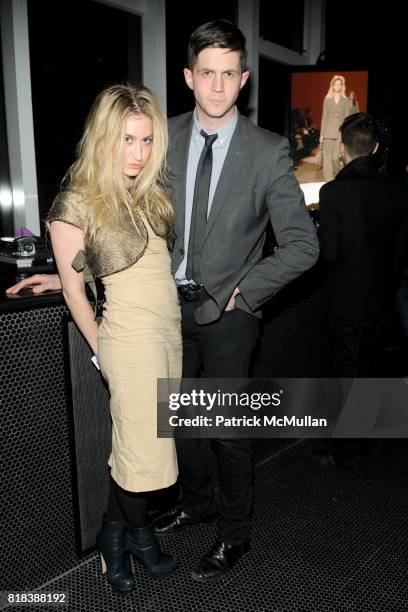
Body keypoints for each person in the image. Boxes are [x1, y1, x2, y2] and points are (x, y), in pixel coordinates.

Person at [8, 20, 319, 582]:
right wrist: (67, 276)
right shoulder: (160, 136)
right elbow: (120, 229)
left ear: (243, 79)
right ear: (189, 77)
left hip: (229, 314)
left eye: (229, 75)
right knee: (173, 425)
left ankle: (233, 532)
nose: (218, 87)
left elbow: (303, 246)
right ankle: (195, 505)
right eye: (207, 74)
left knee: (226, 429)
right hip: (165, 314)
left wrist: (244, 292)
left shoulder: (268, 151)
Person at [46, 84, 180, 594]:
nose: (138, 153)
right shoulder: (75, 201)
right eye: (127, 140)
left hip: (168, 333)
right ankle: (114, 538)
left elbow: (127, 264)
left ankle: (138, 537)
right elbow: (79, 295)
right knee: (141, 455)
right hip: (127, 341)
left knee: (142, 448)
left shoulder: (146, 195)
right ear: (104, 137)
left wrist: (60, 276)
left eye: (147, 141)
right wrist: (102, 350)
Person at [316, 112, 408, 469]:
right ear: (376, 147)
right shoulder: (398, 191)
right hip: (382, 300)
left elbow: (330, 253)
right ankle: (370, 443)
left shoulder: (334, 192)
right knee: (372, 371)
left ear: (343, 148)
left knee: (347, 377)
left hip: (346, 303)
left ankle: (347, 453)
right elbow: (401, 253)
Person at [319, 75, 359, 182]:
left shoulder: (345, 100)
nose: (337, 86)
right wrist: (321, 135)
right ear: (332, 86)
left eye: (339, 84)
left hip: (339, 132)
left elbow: (346, 118)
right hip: (328, 131)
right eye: (335, 84)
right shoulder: (327, 99)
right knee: (327, 159)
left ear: (342, 86)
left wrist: (345, 135)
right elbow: (324, 117)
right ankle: (329, 181)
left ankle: (336, 177)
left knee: (335, 158)